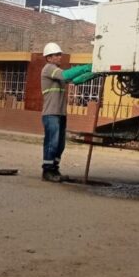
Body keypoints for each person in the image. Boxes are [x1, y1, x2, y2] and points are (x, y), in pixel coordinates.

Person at [40, 42, 92, 183]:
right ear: (48, 58)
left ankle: (55, 169)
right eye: (56, 55)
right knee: (52, 142)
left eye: (59, 54)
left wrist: (93, 73)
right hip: (51, 114)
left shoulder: (57, 72)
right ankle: (47, 171)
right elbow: (66, 75)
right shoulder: (49, 69)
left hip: (60, 113)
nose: (59, 57)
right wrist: (86, 67)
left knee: (60, 144)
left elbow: (75, 80)